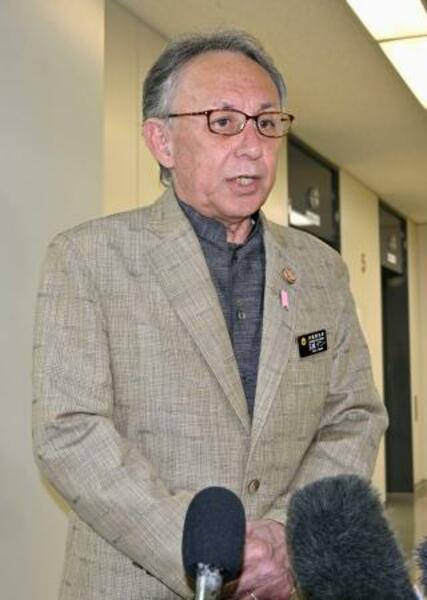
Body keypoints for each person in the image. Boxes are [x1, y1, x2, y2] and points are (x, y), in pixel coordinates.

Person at [33, 30, 388, 600]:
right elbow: (70, 431)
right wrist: (206, 552)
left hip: (281, 582)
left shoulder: (322, 270)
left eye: (266, 122)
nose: (252, 146)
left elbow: (355, 416)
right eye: (223, 122)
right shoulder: (88, 258)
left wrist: (287, 537)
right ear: (162, 141)